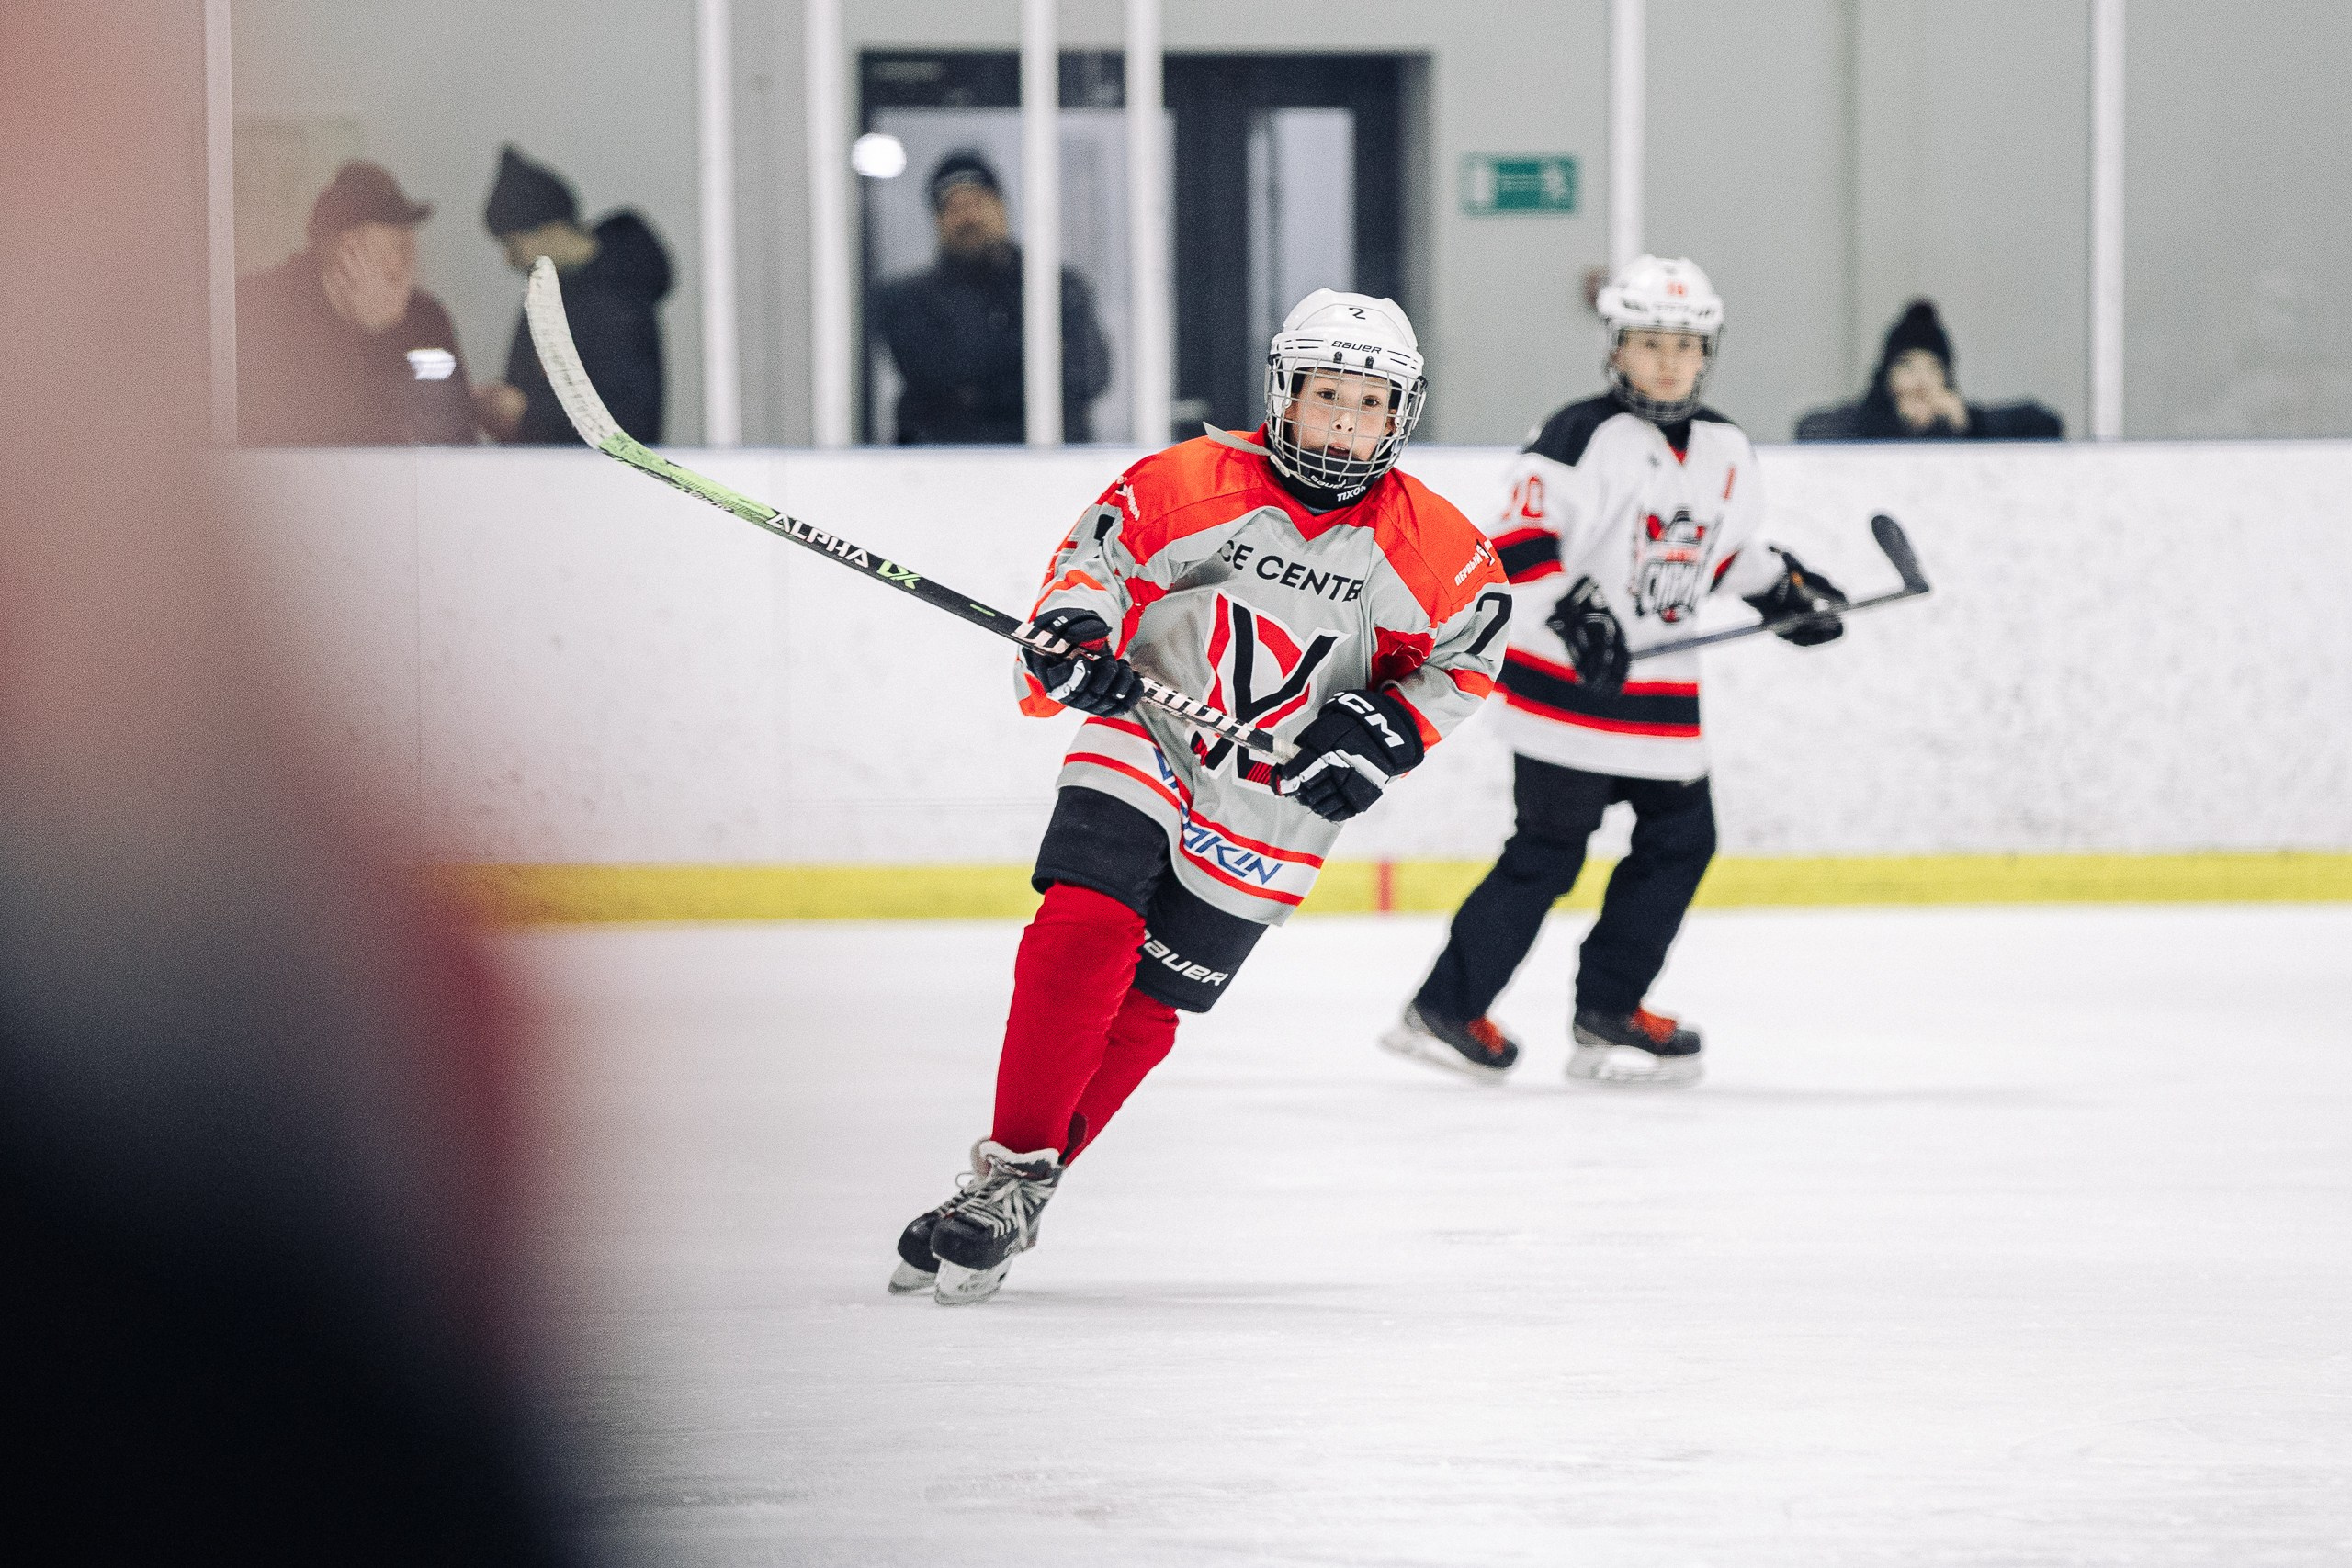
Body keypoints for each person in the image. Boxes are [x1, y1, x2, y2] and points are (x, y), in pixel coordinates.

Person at [889, 289, 1510, 1304]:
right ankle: (1011, 1174)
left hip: (1274, 797)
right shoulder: (1187, 482)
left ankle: (1004, 1200)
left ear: (1402, 414)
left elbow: (1467, 659)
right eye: (1325, 397)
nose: (1345, 423)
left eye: (1369, 403)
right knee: (1081, 926)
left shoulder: (1436, 549)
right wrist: (1079, 640)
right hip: (1153, 732)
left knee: (1146, 1008)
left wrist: (1388, 732)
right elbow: (1093, 564)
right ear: (1283, 393)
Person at [1381, 255, 1849, 1089]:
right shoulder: (1578, 432)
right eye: (1648, 342)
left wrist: (1787, 592)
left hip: (1661, 701)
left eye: (1685, 344)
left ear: (1709, 353)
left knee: (1682, 839)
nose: (1668, 361)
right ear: (1616, 348)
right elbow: (1519, 542)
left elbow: (1725, 553)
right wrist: (1575, 612)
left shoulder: (1727, 448)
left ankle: (1609, 1008)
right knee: (1548, 855)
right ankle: (1445, 1008)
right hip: (1566, 692)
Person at [869, 150, 1113, 444]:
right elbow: (936, 376)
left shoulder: (1057, 288)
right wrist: (1038, 360)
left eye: (976, 202)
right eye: (952, 207)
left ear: (1000, 207)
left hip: (1049, 467)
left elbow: (1089, 374)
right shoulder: (907, 301)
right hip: (940, 470)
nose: (967, 217)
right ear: (937, 220)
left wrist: (977, 383)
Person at [237, 161, 478, 446]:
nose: (410, 258)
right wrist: (366, 335)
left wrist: (386, 334)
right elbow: (291, 431)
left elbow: (452, 432)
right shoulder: (261, 308)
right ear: (347, 250)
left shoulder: (425, 317)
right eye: (398, 242)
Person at [475, 145, 673, 446]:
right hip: (555, 479)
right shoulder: (546, 295)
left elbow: (631, 420)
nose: (509, 259)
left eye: (513, 244)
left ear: (551, 229)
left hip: (599, 485)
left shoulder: (622, 297)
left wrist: (527, 412)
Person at [1795, 299, 2064, 441]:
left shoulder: (1961, 420)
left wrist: (1969, 424)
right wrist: (1895, 423)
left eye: (1932, 368)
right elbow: (1808, 429)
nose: (1920, 381)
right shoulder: (1863, 419)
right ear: (1887, 375)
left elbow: (2046, 424)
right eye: (1908, 366)